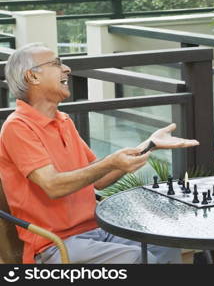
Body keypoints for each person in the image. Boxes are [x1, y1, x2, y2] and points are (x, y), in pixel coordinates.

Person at [0, 43, 200, 264]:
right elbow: (53, 186)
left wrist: (149, 144)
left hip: (98, 230)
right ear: (33, 77)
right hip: (56, 245)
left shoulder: (64, 121)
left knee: (163, 241)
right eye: (56, 64)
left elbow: (101, 180)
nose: (66, 69)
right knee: (136, 259)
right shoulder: (17, 127)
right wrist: (109, 163)